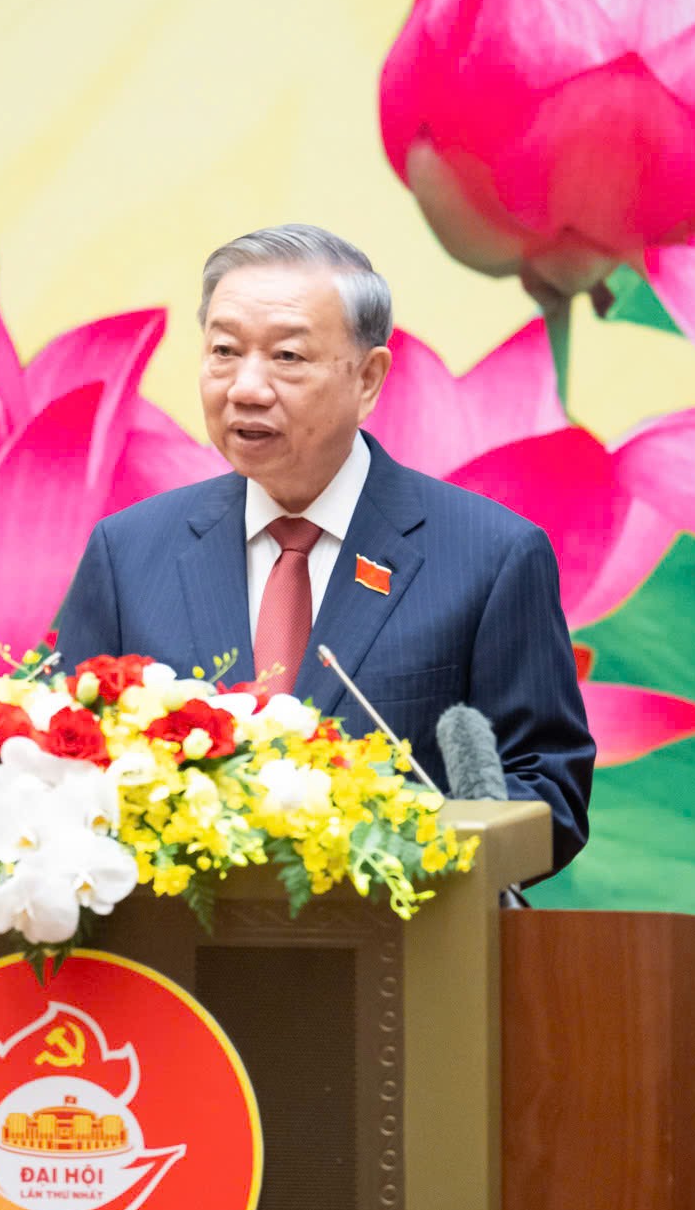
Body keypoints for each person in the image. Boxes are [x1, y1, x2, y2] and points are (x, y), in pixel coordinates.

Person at [52, 224, 594, 872]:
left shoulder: (490, 557)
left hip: (399, 927)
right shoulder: (128, 554)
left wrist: (400, 841)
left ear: (367, 379)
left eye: (287, 356)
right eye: (224, 351)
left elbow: (549, 794)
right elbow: (58, 770)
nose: (246, 388)